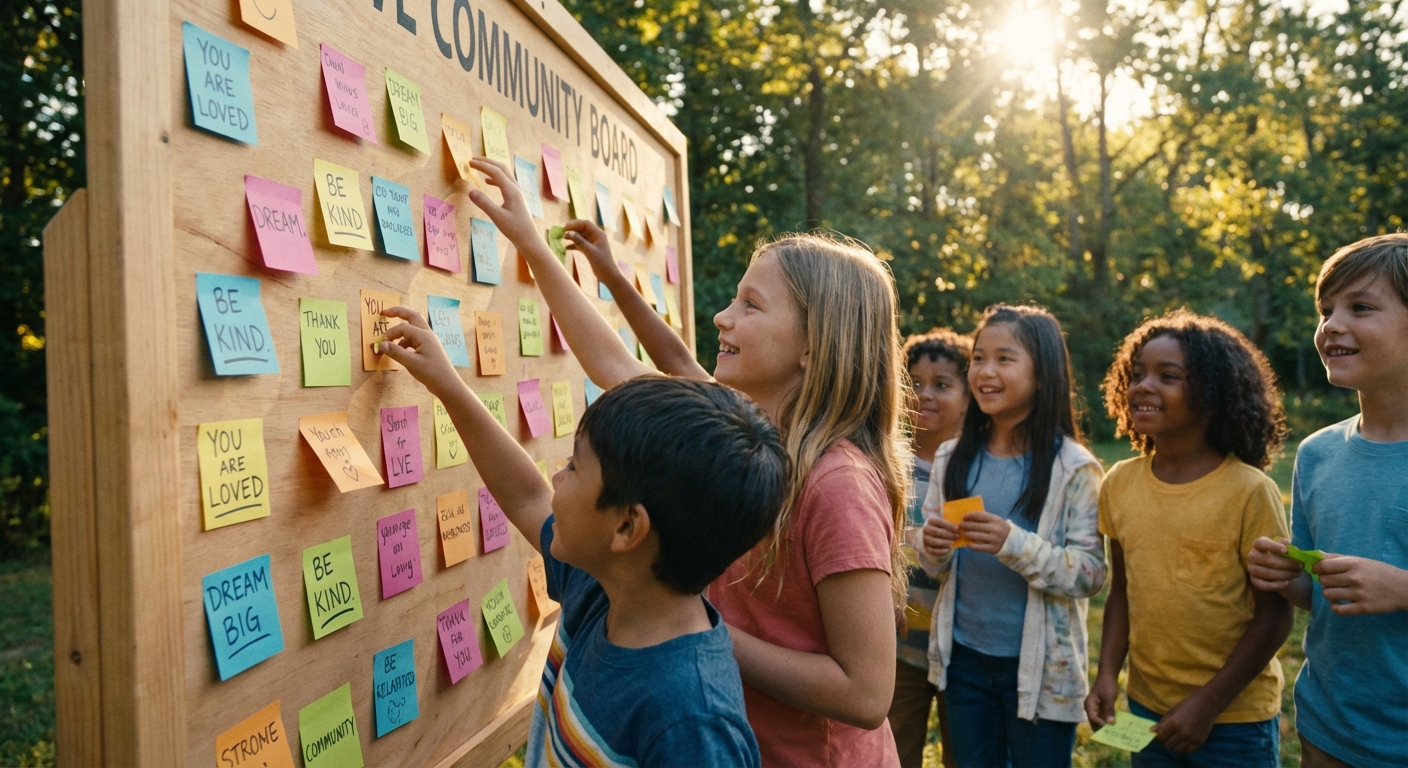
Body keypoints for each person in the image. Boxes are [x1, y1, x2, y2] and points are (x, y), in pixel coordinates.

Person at [461, 156, 907, 767]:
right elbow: (620, 365)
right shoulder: (737, 434)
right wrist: (534, 247)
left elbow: (866, 692)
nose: (723, 316)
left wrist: (693, 625)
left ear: (815, 344)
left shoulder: (838, 485)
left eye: (752, 305)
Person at [376, 315, 789, 767]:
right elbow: (527, 496)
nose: (556, 476)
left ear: (628, 529)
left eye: (573, 466)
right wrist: (448, 387)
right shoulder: (605, 587)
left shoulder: (693, 722)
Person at [1086, 310, 1293, 767]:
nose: (1143, 385)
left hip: (1233, 720)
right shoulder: (1118, 483)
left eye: (1168, 376)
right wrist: (1106, 675)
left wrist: (1208, 704)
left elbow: (1275, 617)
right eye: (1137, 374)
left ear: (1211, 394)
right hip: (1147, 709)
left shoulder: (1249, 492)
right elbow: (1122, 591)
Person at [916, 304, 1105, 768]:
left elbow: (1089, 573)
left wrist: (1011, 542)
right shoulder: (951, 457)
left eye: (1004, 358)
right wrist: (931, 546)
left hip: (1041, 672)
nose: (985, 371)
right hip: (963, 665)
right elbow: (935, 565)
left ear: (1043, 374)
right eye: (979, 358)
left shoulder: (1074, 468)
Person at [1248, 234, 1408, 768]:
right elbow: (1321, 596)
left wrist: (1402, 589)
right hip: (1328, 726)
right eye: (1326, 309)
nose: (1331, 325)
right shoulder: (1316, 455)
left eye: (1360, 307)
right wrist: (1288, 577)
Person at [890, 330, 968, 768]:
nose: (925, 395)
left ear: (969, 395)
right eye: (914, 383)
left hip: (962, 646)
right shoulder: (888, 463)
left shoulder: (973, 469)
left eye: (941, 384)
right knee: (896, 747)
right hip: (901, 642)